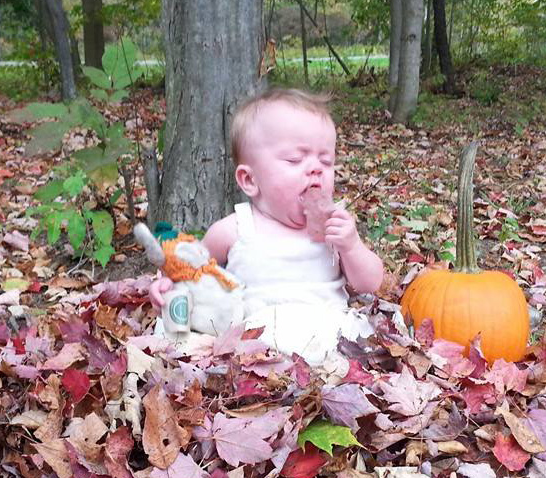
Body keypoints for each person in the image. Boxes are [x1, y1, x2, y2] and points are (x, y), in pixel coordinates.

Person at [149, 88, 384, 366]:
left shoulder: (334, 228)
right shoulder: (235, 230)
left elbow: (370, 283)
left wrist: (352, 246)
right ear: (250, 180)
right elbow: (191, 268)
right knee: (180, 328)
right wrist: (168, 284)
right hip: (259, 343)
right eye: (295, 160)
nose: (316, 169)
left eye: (326, 161)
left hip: (329, 335)